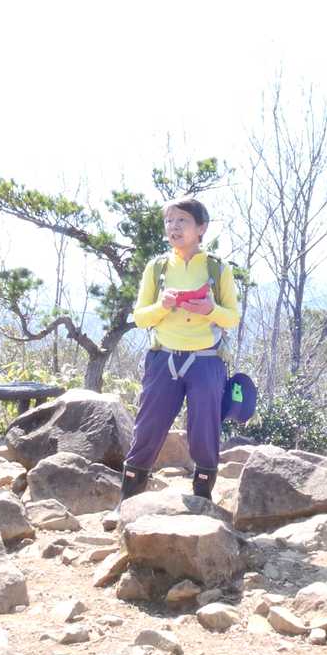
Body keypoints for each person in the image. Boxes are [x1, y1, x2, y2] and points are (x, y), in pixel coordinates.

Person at [121, 197, 240, 503]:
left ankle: (202, 499)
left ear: (201, 228)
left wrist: (210, 309)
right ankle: (127, 502)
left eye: (182, 220)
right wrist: (162, 305)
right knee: (148, 428)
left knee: (205, 432)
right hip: (163, 358)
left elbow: (232, 318)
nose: (173, 227)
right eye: (169, 221)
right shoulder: (157, 267)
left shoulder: (217, 268)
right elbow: (140, 317)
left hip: (206, 360)